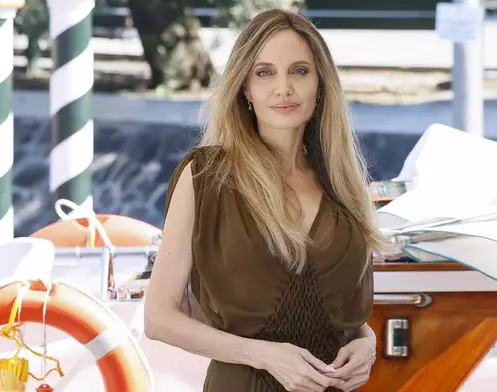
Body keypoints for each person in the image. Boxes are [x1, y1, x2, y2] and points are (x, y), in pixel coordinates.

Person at [144, 8, 387, 392]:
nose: (283, 88)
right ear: (245, 88)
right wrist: (264, 355)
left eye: (300, 71)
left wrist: (367, 344)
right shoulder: (205, 177)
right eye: (265, 72)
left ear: (321, 84)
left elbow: (347, 317)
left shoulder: (343, 185)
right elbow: (158, 318)